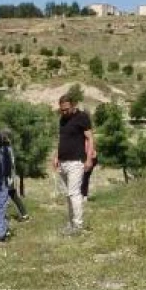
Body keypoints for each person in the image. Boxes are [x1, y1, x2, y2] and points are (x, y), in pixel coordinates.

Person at [53, 94, 94, 234]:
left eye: (66, 109)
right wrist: (56, 156)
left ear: (73, 105)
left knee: (74, 194)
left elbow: (89, 139)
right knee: (68, 195)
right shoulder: (62, 120)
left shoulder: (82, 117)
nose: (64, 112)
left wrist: (89, 159)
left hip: (76, 161)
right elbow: (61, 139)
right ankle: (71, 224)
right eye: (62, 110)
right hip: (63, 162)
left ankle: (78, 226)